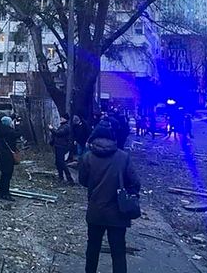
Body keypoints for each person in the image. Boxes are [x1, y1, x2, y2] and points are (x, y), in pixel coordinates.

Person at [79, 118, 140, 273]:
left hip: (95, 211)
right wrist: (126, 193)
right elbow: (135, 183)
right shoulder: (123, 157)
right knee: (118, 252)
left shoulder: (87, 157)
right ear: (113, 137)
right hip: (118, 213)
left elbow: (83, 181)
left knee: (92, 248)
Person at [0, 114, 21, 201]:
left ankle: (1, 193)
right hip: (8, 156)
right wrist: (18, 124)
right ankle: (6, 193)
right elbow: (18, 134)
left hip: (2, 155)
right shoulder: (10, 132)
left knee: (3, 175)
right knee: (7, 176)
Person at [49, 114, 75, 184]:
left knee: (61, 162)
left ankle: (69, 179)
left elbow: (58, 133)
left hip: (62, 146)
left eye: (62, 117)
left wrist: (51, 129)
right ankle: (61, 177)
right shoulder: (62, 126)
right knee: (58, 162)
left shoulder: (66, 127)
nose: (61, 118)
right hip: (58, 146)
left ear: (65, 119)